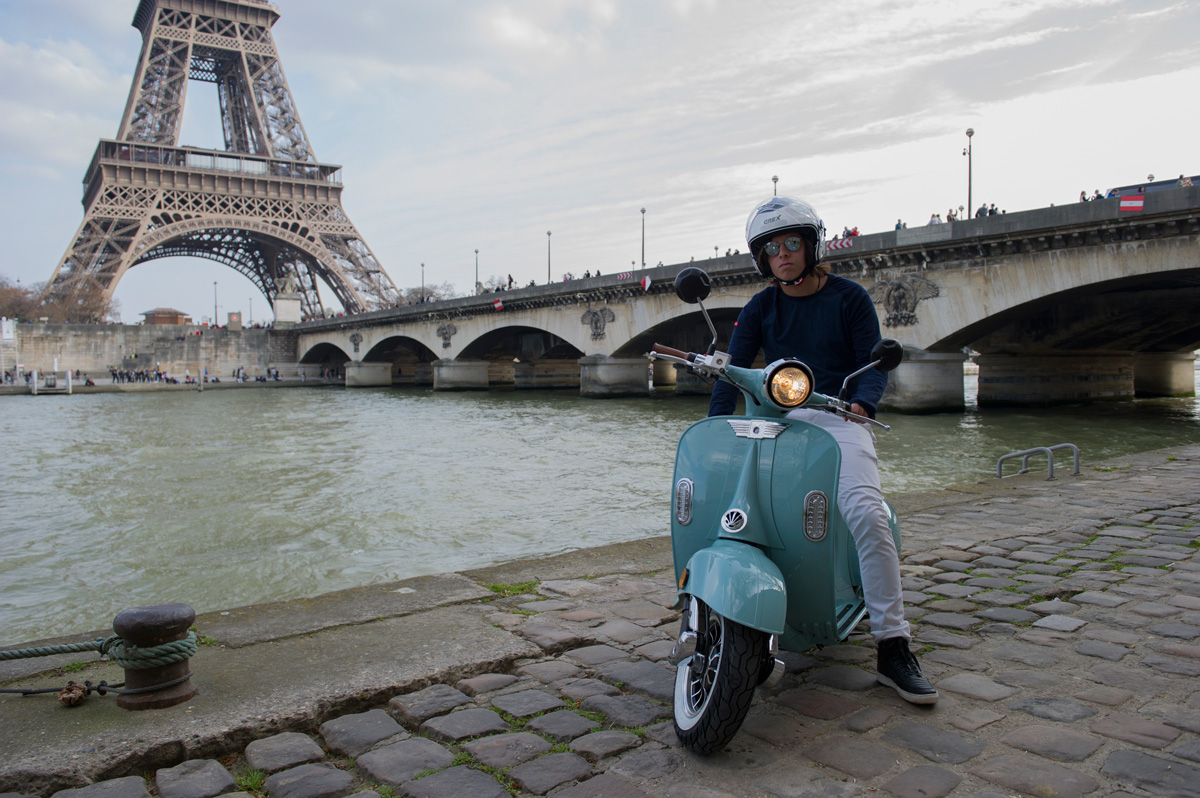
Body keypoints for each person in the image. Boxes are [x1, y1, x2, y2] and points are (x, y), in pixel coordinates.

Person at [707, 196, 939, 705]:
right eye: (772, 247)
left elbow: (872, 362)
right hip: (778, 419)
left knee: (866, 512)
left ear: (812, 245)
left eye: (792, 242)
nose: (783, 253)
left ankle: (892, 643)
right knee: (736, 511)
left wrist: (863, 404)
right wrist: (716, 426)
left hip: (839, 418)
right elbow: (733, 366)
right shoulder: (760, 307)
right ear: (762, 259)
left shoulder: (850, 298)